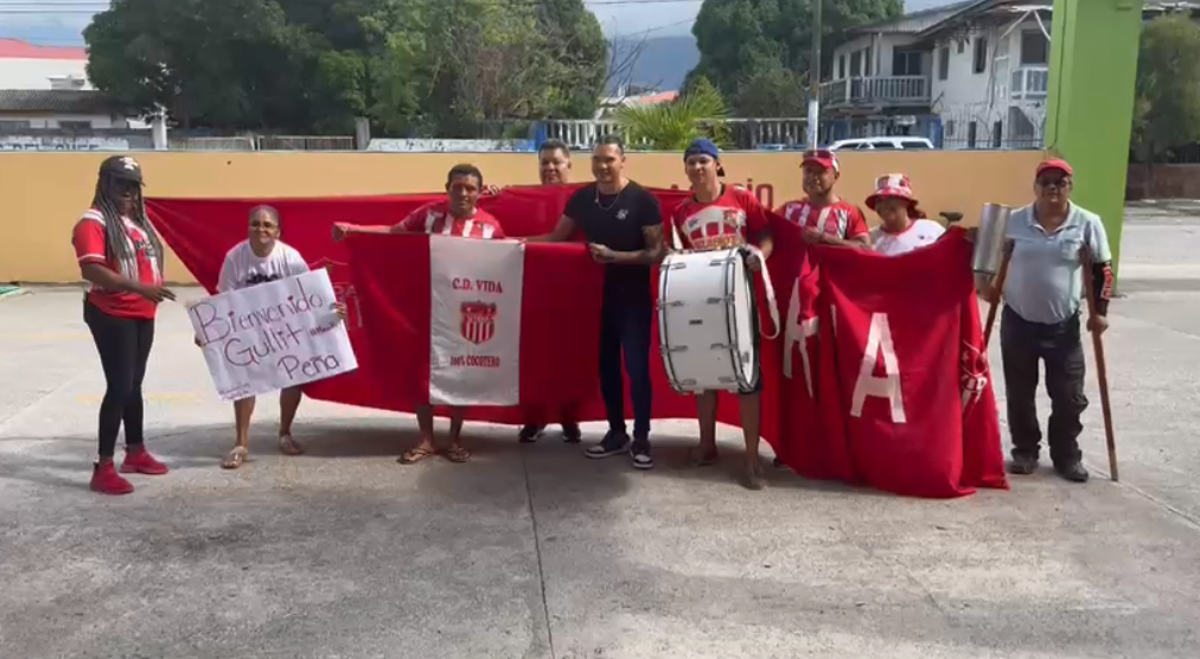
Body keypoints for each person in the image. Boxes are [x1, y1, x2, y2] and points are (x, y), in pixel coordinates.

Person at [333, 164, 505, 464]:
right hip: (425, 307)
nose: (463, 193)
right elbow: (392, 232)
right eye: (457, 187)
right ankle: (426, 438)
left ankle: (454, 439)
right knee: (421, 371)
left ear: (479, 192)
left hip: (465, 314)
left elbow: (505, 264)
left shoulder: (490, 226)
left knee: (461, 373)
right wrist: (354, 229)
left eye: (470, 188)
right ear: (447, 187)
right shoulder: (428, 215)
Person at [527, 135, 665, 470]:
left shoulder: (642, 200)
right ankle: (616, 433)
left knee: (636, 369)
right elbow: (557, 237)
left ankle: (642, 436)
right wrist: (512, 242)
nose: (603, 166)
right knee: (607, 370)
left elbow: (656, 252)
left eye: (609, 159)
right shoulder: (582, 199)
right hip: (595, 299)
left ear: (622, 160)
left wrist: (615, 256)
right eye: (597, 160)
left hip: (633, 298)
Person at [978, 159, 1113, 483]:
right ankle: (1025, 451)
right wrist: (985, 284)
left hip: (1063, 325)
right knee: (1020, 392)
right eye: (1046, 182)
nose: (1053, 188)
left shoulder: (1087, 223)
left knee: (1068, 396)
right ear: (1035, 186)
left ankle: (1066, 455)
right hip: (1018, 320)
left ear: (1070, 186)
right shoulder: (1014, 221)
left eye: (1060, 182)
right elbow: (988, 256)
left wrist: (1100, 312)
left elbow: (1102, 269)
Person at [202, 205, 345, 469]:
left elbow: (310, 294)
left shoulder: (290, 258)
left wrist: (332, 311)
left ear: (278, 231)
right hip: (248, 328)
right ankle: (241, 443)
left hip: (286, 328)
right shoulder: (236, 257)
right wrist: (208, 331)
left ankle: (285, 433)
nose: (261, 229)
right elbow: (222, 299)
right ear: (248, 228)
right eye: (255, 224)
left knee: (293, 377)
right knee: (244, 381)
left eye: (267, 225)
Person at [669, 138, 775, 489]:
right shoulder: (682, 212)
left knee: (747, 377)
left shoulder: (742, 198)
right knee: (704, 374)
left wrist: (758, 258)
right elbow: (682, 256)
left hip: (740, 298)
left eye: (703, 161)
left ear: (717, 164)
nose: (697, 167)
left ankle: (750, 459)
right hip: (703, 298)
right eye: (691, 162)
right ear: (685, 169)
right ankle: (707, 445)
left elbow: (766, 236)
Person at [71, 155, 175, 495]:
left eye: (133, 185)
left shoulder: (136, 222)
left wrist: (148, 291)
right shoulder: (94, 222)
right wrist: (139, 288)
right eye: (120, 184)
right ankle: (103, 467)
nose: (128, 192)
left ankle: (135, 451)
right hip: (112, 313)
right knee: (119, 386)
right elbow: (92, 270)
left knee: (134, 384)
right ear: (104, 184)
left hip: (142, 312)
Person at [516, 139, 583, 444]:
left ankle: (570, 418)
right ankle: (534, 418)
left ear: (570, 164)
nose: (550, 168)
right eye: (544, 163)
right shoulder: (525, 198)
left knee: (573, 359)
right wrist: (493, 195)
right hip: (533, 293)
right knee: (533, 359)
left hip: (575, 292)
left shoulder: (587, 197)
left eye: (556, 162)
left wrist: (519, 241)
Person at [776, 149, 872, 248]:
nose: (812, 177)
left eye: (820, 171)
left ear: (836, 176)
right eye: (808, 171)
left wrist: (825, 239)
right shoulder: (789, 209)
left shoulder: (849, 212)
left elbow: (865, 247)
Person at [865, 174, 944, 256]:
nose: (883, 205)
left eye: (890, 197)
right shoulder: (869, 239)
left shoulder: (932, 230)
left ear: (906, 202)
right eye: (879, 200)